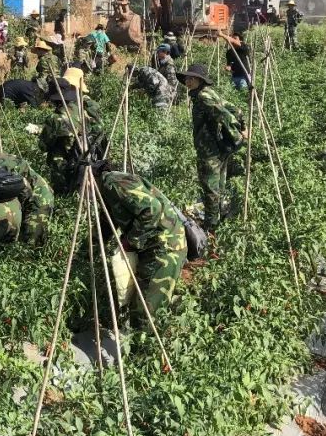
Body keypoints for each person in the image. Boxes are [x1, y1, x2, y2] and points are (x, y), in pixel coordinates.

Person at [66, 156, 187, 322]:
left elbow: (152, 209)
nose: (82, 195)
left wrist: (130, 242)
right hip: (152, 245)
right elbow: (104, 227)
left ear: (90, 179)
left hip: (166, 245)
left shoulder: (113, 183)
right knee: (135, 301)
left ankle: (142, 344)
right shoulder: (106, 192)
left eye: (81, 188)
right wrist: (81, 257)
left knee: (147, 309)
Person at [177, 63, 246, 231]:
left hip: (209, 150)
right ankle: (219, 218)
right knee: (219, 186)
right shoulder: (209, 93)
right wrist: (243, 125)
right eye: (187, 78)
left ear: (200, 80)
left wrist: (239, 133)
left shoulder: (202, 97)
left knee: (210, 188)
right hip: (218, 148)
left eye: (191, 78)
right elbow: (235, 109)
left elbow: (223, 114)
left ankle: (210, 227)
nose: (187, 81)